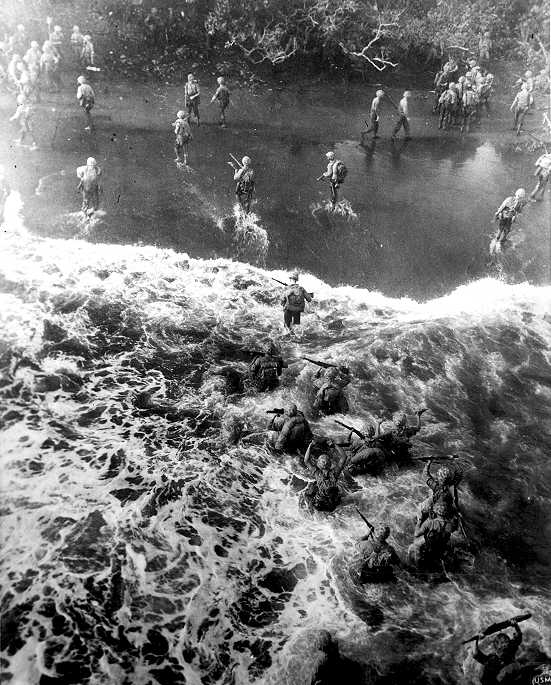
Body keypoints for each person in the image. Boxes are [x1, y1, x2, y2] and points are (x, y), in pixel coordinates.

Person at [303, 439, 349, 511]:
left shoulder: (317, 473)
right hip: (333, 504)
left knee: (308, 492)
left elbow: (306, 460)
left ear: (318, 464)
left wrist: (310, 445)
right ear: (330, 464)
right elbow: (344, 457)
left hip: (320, 504)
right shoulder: (335, 472)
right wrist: (334, 445)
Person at [409, 500, 458, 568]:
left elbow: (416, 534)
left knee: (414, 544)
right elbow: (454, 528)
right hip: (441, 548)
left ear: (436, 511)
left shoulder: (430, 523)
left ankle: (416, 566)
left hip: (430, 547)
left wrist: (419, 521)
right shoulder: (450, 525)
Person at [473, 619, 523, 685]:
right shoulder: (491, 660)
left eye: (507, 641)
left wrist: (515, 625)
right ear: (497, 646)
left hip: (506, 676)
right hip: (489, 681)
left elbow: (518, 637)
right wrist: (476, 639)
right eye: (503, 642)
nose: (506, 644)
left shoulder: (510, 648)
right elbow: (475, 654)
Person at [417, 459, 462, 525]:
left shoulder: (436, 486)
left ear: (438, 478)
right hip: (448, 507)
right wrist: (454, 462)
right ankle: (457, 513)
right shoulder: (453, 485)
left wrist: (428, 463)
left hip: (436, 507)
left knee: (420, 507)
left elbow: (425, 475)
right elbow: (459, 474)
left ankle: (419, 521)